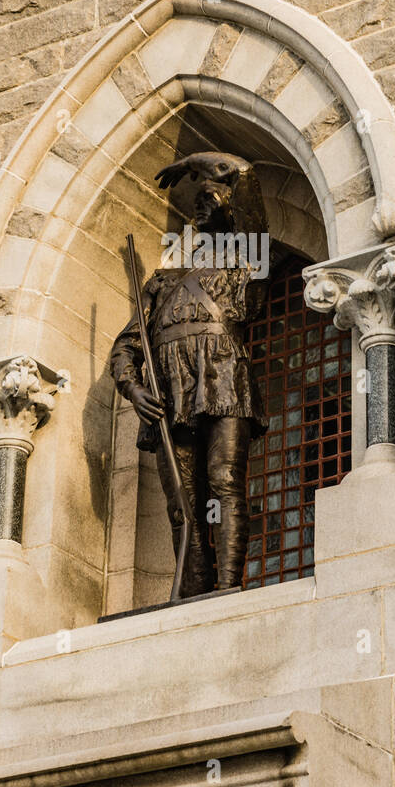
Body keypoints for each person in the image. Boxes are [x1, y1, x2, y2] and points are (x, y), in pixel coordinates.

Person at [110, 152, 269, 597]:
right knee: (183, 502)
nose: (202, 207)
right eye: (197, 204)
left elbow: (246, 174)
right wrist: (135, 390)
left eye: (213, 199)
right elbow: (124, 348)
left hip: (223, 384)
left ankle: (225, 586)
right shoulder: (162, 282)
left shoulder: (246, 265)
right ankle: (193, 595)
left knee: (223, 483)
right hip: (170, 397)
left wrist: (200, 163)